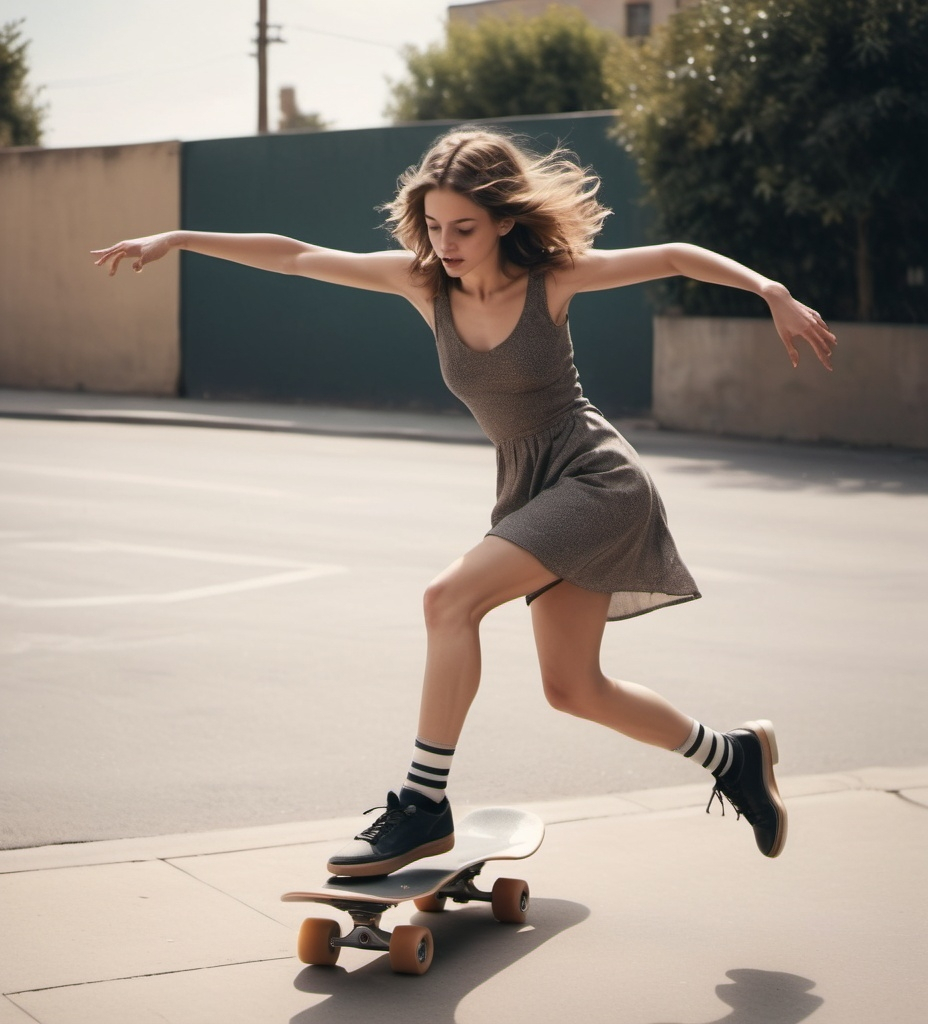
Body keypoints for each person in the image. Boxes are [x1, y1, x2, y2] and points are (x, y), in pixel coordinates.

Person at [93, 127, 836, 876]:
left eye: (464, 228)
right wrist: (180, 237)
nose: (445, 243)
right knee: (574, 689)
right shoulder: (424, 284)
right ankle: (732, 756)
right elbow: (295, 255)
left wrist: (770, 291)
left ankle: (422, 806)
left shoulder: (553, 278)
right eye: (435, 226)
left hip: (595, 479)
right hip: (527, 488)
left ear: (505, 221)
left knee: (448, 600)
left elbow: (673, 256)